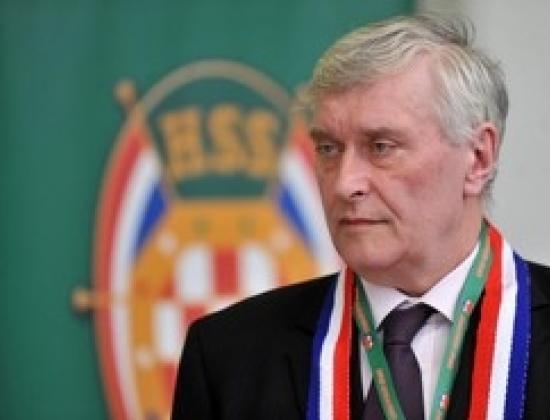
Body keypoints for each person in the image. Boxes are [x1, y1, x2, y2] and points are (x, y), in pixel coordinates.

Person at [171, 14, 550, 420]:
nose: (344, 183)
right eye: (329, 149)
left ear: (478, 158)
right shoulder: (229, 356)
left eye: (381, 147)